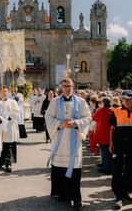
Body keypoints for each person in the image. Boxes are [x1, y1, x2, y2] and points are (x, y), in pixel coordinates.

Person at [45, 78, 91, 210]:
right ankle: (63, 194)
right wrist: (60, 123)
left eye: (69, 85)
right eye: (65, 86)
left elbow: (88, 117)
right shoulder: (54, 101)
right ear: (61, 87)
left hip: (74, 140)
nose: (67, 88)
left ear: (73, 86)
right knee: (60, 168)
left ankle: (76, 198)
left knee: (74, 169)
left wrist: (76, 123)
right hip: (59, 140)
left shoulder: (81, 102)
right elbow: (48, 117)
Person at [0, 85, 20, 172]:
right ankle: (0, 162)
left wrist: (8, 117)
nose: (4, 93)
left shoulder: (12, 102)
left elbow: (17, 112)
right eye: (3, 91)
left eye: (6, 91)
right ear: (0, 92)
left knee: (8, 146)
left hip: (9, 127)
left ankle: (8, 163)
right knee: (0, 146)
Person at [93, 96, 113, 174]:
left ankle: (106, 167)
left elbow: (94, 118)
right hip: (111, 134)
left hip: (102, 134)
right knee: (110, 151)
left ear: (103, 103)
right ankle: (110, 166)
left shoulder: (100, 111)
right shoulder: (113, 110)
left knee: (104, 151)